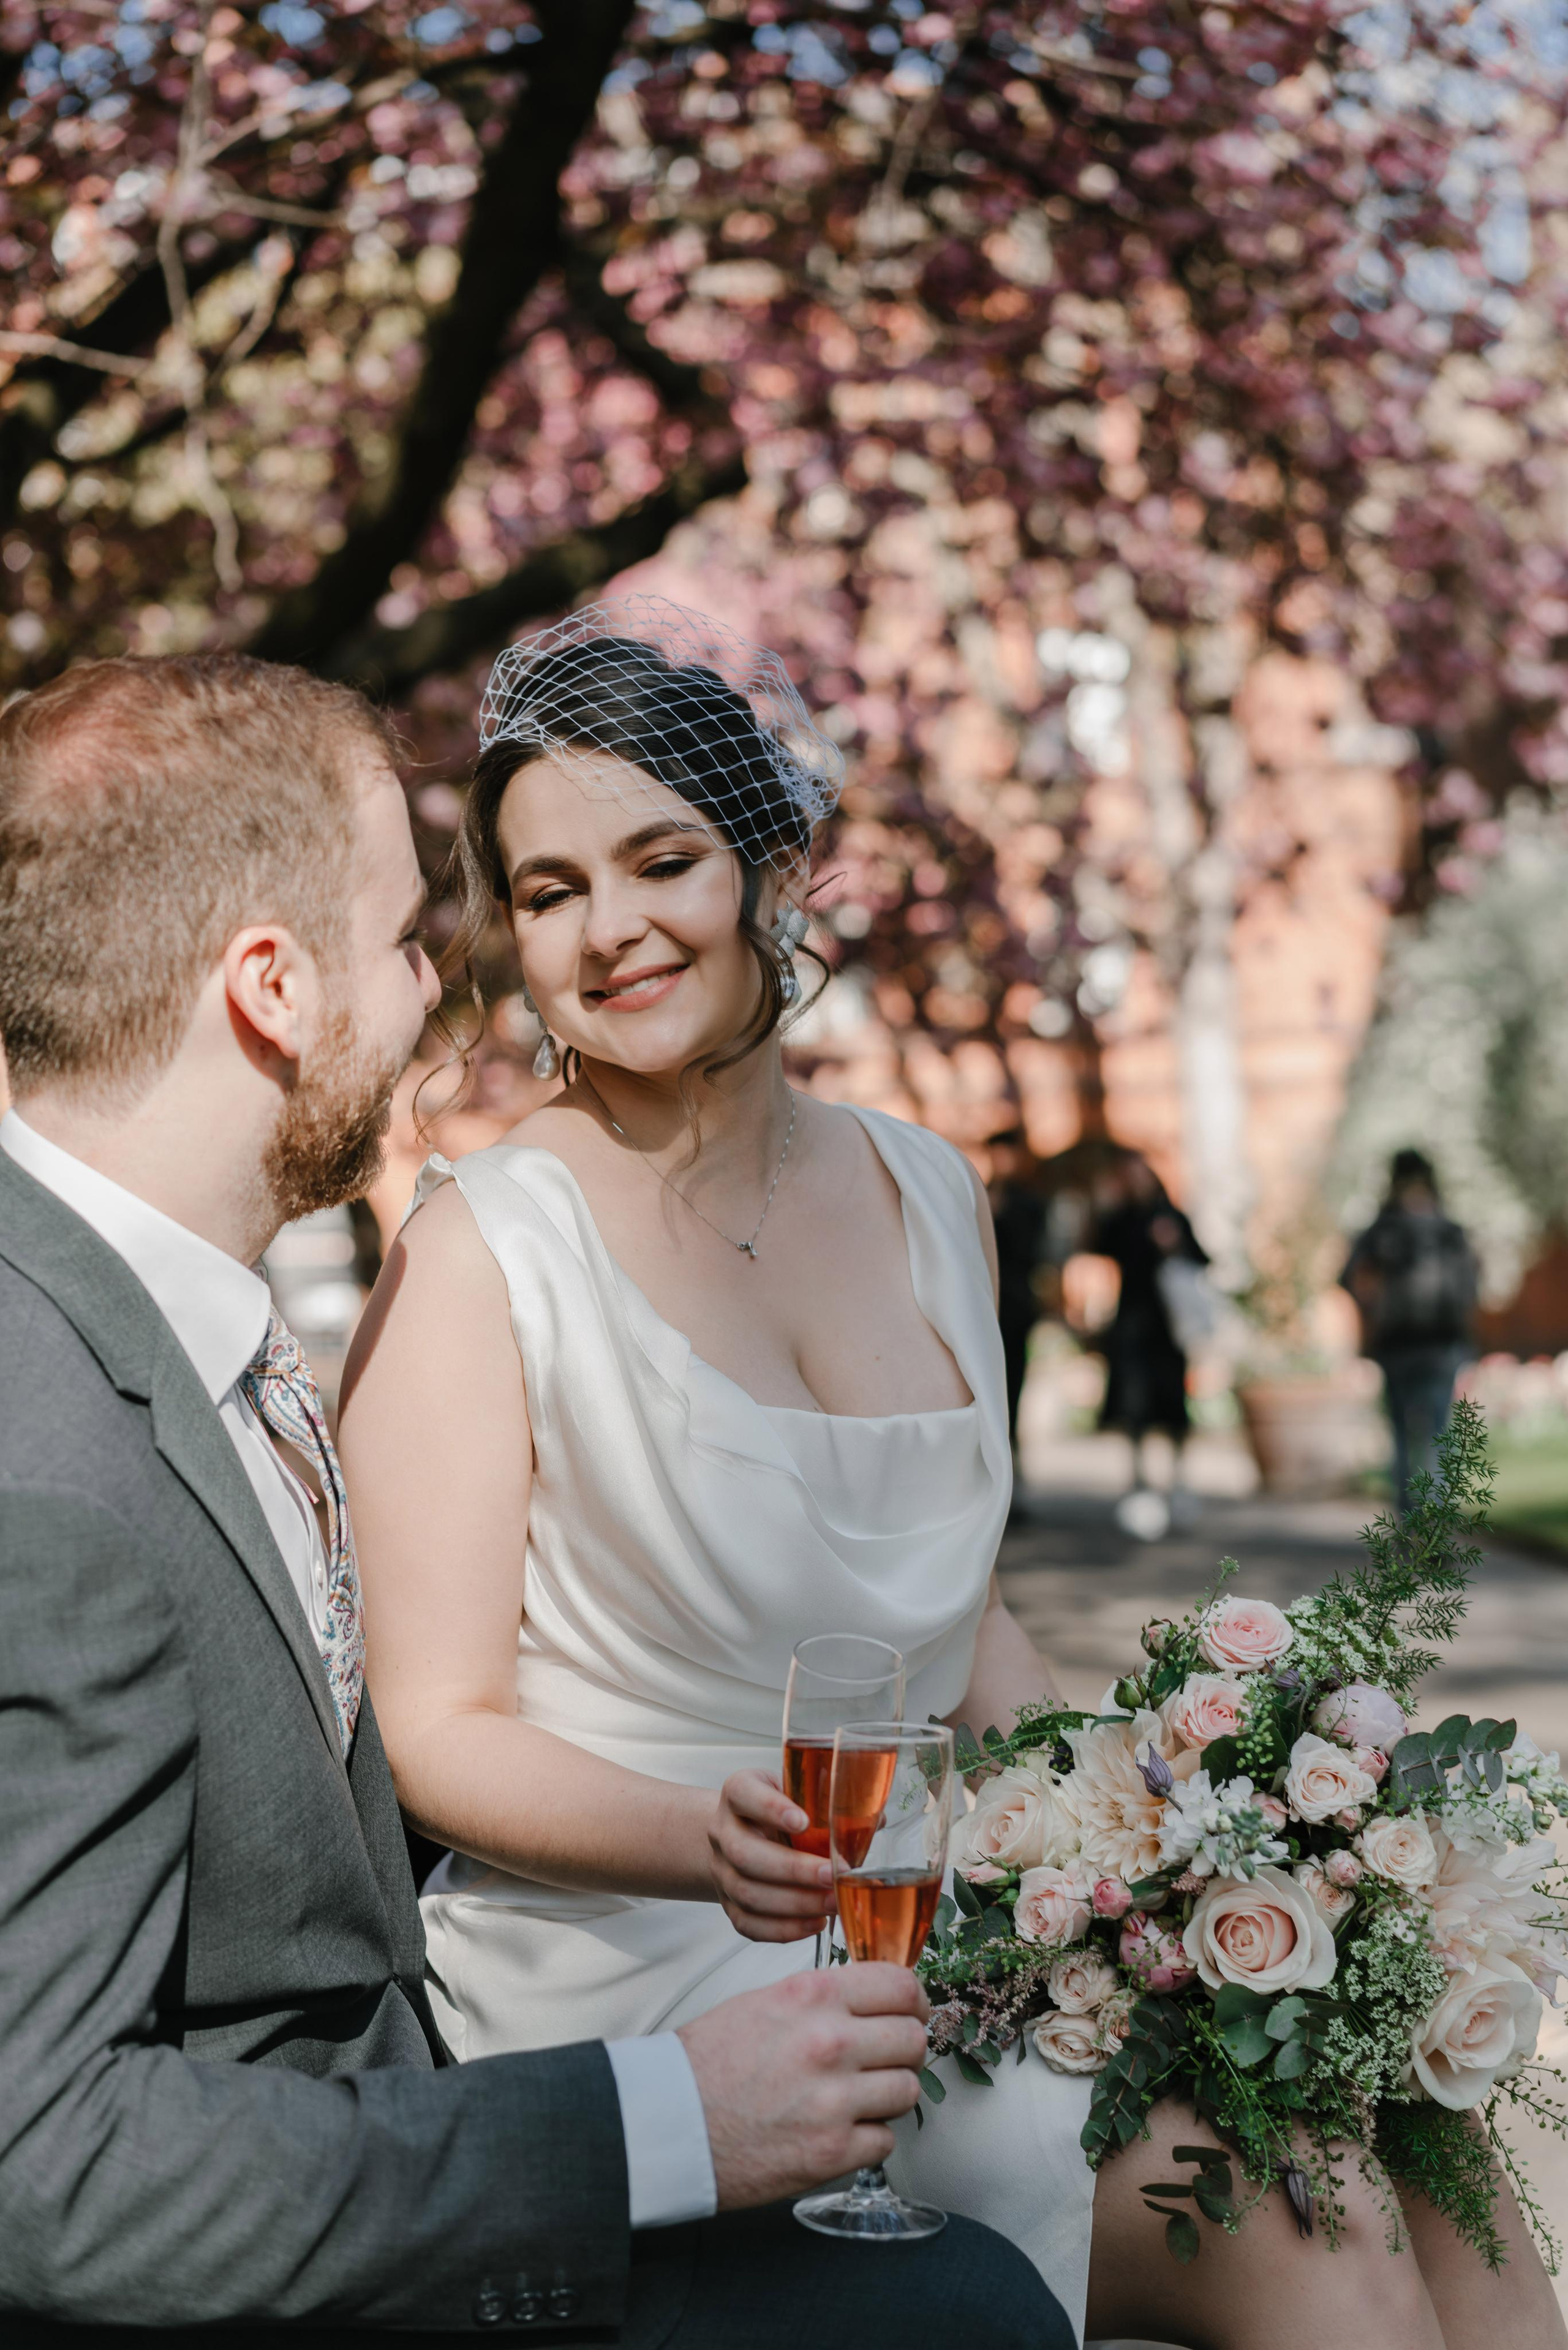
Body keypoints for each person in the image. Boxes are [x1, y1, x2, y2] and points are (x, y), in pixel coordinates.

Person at [339, 599, 1564, 2350]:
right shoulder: (483, 1251)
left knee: (1432, 2140)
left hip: (942, 1913)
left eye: (660, 859)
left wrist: (1162, 1840)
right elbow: (436, 1725)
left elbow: (961, 1610)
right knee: (1312, 2214)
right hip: (663, 1968)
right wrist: (703, 1838)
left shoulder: (927, 1191)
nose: (608, 929)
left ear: (771, 864)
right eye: (547, 891)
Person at [0, 650, 1062, 2350]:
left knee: (1338, 2143)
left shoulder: (169, 1333)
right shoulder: (49, 1450)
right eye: (422, 934)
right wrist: (652, 2115)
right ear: (275, 987)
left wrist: (1153, 1827)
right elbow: (39, 2161)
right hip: (472, 2131)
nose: (443, 990)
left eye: (657, 864)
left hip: (511, 2096)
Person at [1341, 1148, 1479, 1513]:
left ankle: (1410, 1523)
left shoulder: (1382, 1229)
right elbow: (1470, 1287)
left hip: (1400, 1342)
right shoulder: (1448, 1230)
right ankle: (1433, 1525)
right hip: (1439, 1342)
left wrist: (1373, 1308)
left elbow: (1347, 1277)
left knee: (1406, 1435)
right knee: (1436, 1433)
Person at [1090, 1153, 1208, 1542]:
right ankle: (1139, 1480)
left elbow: (1202, 1259)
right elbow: (1096, 1246)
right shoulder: (1122, 1219)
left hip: (1168, 1330)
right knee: (1134, 1407)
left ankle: (1178, 1480)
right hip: (1132, 1326)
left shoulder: (1171, 1217)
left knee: (1173, 1405)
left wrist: (1173, 1245)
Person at [986, 1126, 1047, 1455]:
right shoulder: (981, 1193)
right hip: (984, 1306)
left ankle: (1013, 1463)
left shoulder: (1027, 1202)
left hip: (1015, 1306)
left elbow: (1031, 1250)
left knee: (1013, 1388)